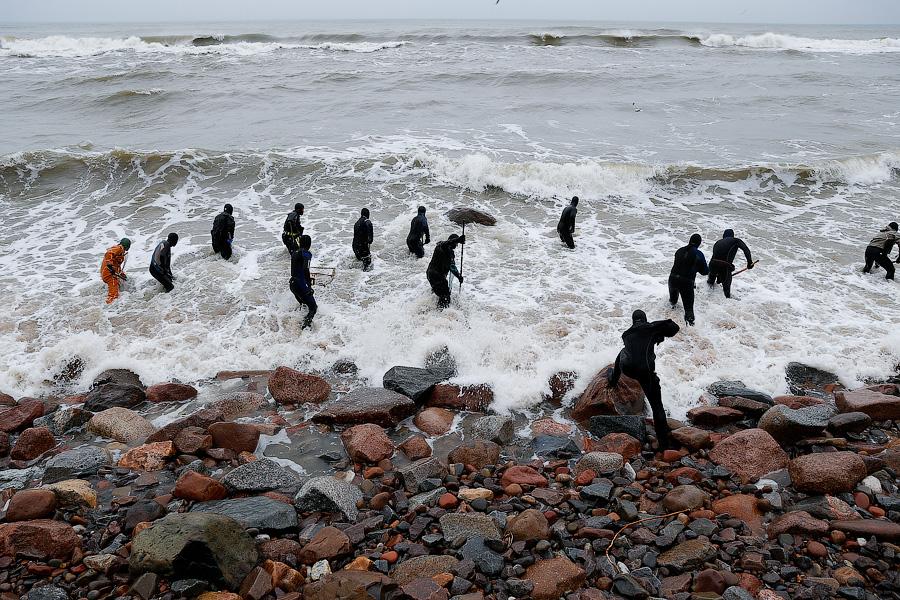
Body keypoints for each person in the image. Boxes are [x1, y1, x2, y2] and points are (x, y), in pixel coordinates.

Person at [608, 310, 680, 450]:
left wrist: (656, 334)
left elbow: (639, 341)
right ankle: (664, 444)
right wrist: (657, 328)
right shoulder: (650, 328)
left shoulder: (626, 334)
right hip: (645, 372)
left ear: (633, 321)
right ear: (645, 319)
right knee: (657, 406)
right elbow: (674, 328)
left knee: (622, 352)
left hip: (628, 369)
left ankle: (613, 380)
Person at [668, 233, 709, 326]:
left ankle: (669, 321)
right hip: (686, 283)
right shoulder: (698, 254)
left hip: (672, 279)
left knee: (672, 302)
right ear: (699, 243)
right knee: (689, 310)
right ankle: (690, 335)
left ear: (689, 241)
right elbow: (704, 272)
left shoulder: (679, 251)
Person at [707, 229, 753, 298]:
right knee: (727, 293)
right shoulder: (736, 240)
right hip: (724, 267)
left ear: (723, 236)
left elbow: (716, 259)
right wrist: (749, 263)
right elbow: (746, 249)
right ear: (733, 236)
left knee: (709, 285)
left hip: (712, 266)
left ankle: (706, 300)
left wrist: (719, 277)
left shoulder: (717, 242)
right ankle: (727, 305)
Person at [426, 234, 465, 309]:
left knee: (440, 294)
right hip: (436, 276)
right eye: (456, 243)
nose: (456, 246)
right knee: (446, 298)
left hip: (432, 275)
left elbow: (452, 267)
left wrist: (458, 276)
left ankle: (432, 309)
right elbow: (446, 243)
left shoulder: (450, 253)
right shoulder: (441, 246)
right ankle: (439, 315)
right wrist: (458, 240)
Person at [290, 235, 317, 329]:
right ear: (309, 244)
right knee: (313, 308)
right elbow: (306, 269)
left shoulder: (295, 253)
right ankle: (304, 329)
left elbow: (299, 269)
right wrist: (309, 286)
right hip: (300, 284)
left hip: (292, 284)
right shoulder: (306, 253)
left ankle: (295, 324)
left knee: (304, 305)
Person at [100, 238, 130, 304]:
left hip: (107, 273)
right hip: (108, 274)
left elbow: (116, 266)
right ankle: (109, 307)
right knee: (113, 295)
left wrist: (122, 274)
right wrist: (110, 266)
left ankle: (110, 305)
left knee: (116, 288)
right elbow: (109, 253)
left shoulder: (119, 252)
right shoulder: (120, 248)